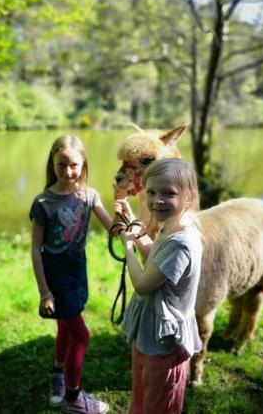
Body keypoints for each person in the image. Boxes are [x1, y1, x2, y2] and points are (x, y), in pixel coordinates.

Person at [30, 134, 112, 414]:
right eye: (61, 165)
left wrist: (125, 207)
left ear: (83, 164)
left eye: (74, 165)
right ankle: (73, 398)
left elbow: (111, 226)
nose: (68, 172)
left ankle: (57, 374)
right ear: (52, 164)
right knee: (81, 335)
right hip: (56, 275)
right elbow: (35, 250)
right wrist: (44, 291)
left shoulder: (89, 196)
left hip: (78, 270)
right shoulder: (43, 202)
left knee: (65, 327)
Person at [115, 158, 203, 414]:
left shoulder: (181, 243)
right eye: (152, 192)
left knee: (159, 406)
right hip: (150, 334)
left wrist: (128, 246)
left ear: (190, 197)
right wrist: (133, 222)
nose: (157, 200)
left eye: (169, 193)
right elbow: (155, 256)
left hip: (165, 342)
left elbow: (143, 284)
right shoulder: (171, 226)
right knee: (142, 396)